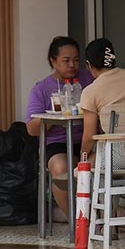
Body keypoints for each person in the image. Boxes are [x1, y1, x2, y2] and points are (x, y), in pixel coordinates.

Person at [26, 36, 94, 222]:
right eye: (66, 60)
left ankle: (102, 218)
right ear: (53, 61)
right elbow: (31, 129)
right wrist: (54, 117)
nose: (72, 65)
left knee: (101, 166)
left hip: (89, 139)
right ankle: (77, 222)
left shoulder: (89, 79)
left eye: (76, 60)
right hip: (58, 144)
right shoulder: (41, 89)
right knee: (61, 169)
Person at [79, 38, 125, 158]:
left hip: (115, 157)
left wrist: (83, 156)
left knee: (87, 163)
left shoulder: (90, 92)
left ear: (89, 65)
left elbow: (89, 138)